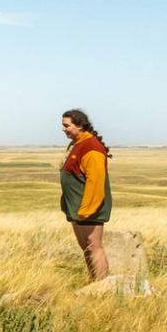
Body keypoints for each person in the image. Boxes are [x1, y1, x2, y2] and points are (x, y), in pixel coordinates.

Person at [59, 109, 112, 281]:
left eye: (66, 125)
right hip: (78, 207)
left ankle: (103, 286)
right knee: (86, 247)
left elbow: (95, 181)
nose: (64, 129)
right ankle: (93, 282)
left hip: (88, 207)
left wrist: (87, 208)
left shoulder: (91, 147)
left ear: (80, 125)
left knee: (94, 247)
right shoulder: (78, 143)